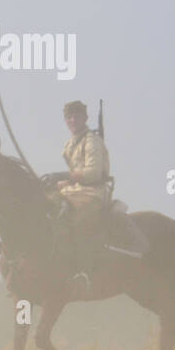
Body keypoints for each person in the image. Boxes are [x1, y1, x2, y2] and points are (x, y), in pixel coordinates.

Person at [55, 100, 110, 294]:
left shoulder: (91, 140)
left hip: (93, 192)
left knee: (79, 220)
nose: (72, 120)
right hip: (74, 191)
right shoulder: (70, 143)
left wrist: (67, 177)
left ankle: (84, 272)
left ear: (84, 118)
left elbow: (93, 173)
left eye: (76, 116)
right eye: (68, 117)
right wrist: (59, 182)